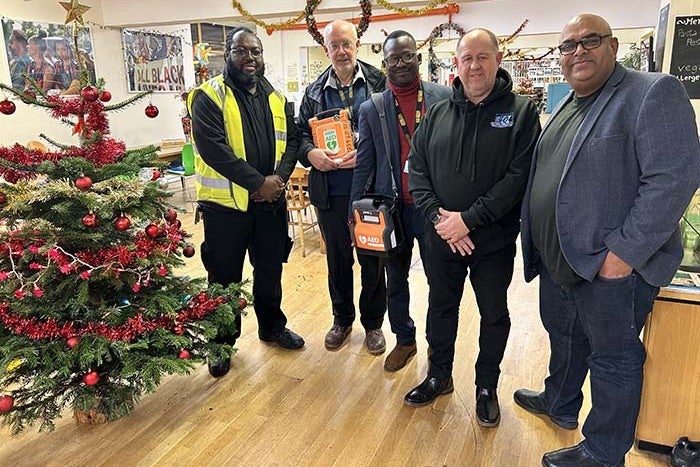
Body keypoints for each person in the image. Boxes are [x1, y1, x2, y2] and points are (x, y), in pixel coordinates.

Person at [516, 14, 700, 466]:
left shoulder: (651, 93)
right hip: (562, 261)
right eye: (568, 45)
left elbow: (673, 181)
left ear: (613, 46)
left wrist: (622, 256)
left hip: (610, 269)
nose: (578, 51)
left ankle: (602, 451)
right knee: (565, 337)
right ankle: (559, 402)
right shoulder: (567, 102)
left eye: (590, 41)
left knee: (614, 361)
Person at [406, 28, 541, 427]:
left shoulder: (520, 112)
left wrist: (468, 220)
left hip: (493, 241)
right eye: (466, 58)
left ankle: (486, 386)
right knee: (440, 307)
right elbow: (419, 171)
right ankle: (438, 375)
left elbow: (518, 178)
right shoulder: (438, 113)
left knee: (494, 314)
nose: (474, 65)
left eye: (482, 57)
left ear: (498, 60)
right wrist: (440, 219)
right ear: (457, 64)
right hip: (441, 238)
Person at [188, 26, 304, 378]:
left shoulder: (275, 97)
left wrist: (278, 181)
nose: (250, 58)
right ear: (228, 54)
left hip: (270, 206)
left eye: (255, 51)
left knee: (270, 269)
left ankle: (272, 327)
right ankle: (220, 343)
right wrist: (258, 183)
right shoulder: (208, 97)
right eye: (242, 51)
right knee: (223, 277)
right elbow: (213, 149)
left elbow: (293, 140)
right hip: (226, 209)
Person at [351, 30, 450, 372]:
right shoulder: (372, 108)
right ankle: (404, 339)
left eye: (407, 56)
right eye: (394, 58)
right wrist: (354, 211)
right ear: (385, 63)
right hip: (392, 210)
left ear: (418, 58)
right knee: (396, 279)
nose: (401, 63)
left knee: (440, 281)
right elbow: (364, 161)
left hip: (433, 209)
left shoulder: (444, 98)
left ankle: (439, 350)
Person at [297, 20, 388, 354]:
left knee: (372, 259)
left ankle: (374, 324)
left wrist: (365, 152)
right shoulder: (312, 91)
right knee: (337, 259)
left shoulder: (380, 83)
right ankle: (342, 320)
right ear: (326, 50)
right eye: (334, 45)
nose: (340, 51)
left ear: (357, 45)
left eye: (345, 44)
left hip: (370, 189)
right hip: (330, 190)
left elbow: (391, 128)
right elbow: (300, 134)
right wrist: (311, 153)